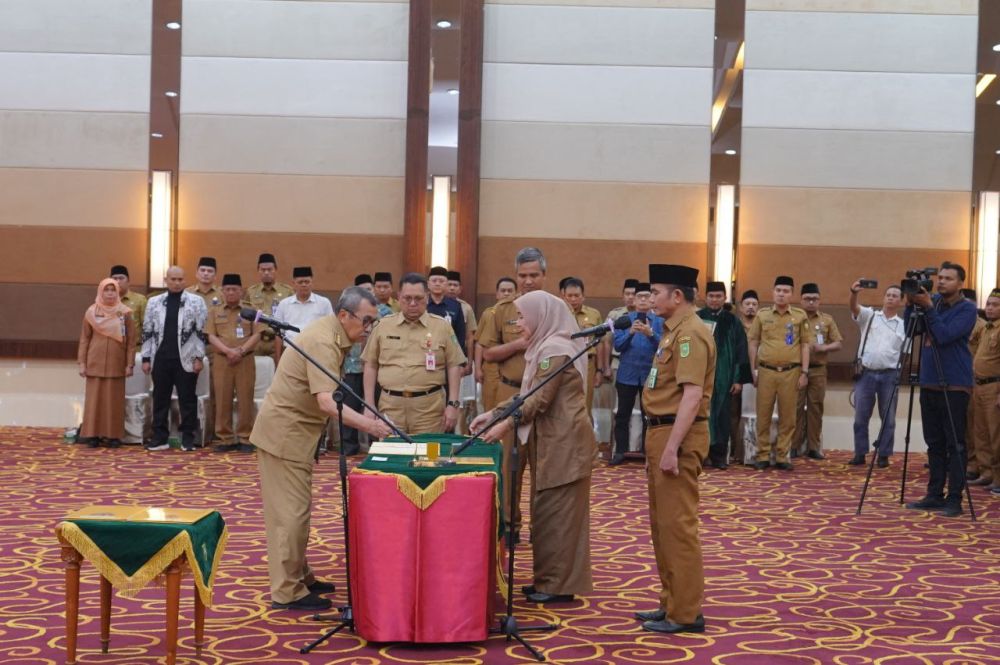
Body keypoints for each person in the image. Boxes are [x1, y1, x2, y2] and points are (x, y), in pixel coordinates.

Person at [250, 287, 393, 611]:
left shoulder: (334, 335)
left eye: (373, 321)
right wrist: (371, 426)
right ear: (345, 315)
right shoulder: (324, 341)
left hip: (297, 435)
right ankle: (287, 591)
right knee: (290, 515)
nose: (369, 328)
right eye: (366, 320)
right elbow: (327, 401)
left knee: (297, 510)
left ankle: (300, 574)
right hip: (284, 437)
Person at [471, 290, 595, 604]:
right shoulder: (546, 346)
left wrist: (503, 424)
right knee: (546, 512)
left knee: (559, 515)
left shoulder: (556, 349)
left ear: (542, 316)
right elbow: (529, 395)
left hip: (565, 444)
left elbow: (539, 399)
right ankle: (549, 580)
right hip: (551, 442)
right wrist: (493, 413)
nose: (518, 324)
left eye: (523, 317)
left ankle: (558, 586)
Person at [634, 263, 714, 634]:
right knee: (661, 525)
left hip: (675, 436)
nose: (650, 299)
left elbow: (693, 396)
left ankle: (685, 613)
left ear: (676, 296)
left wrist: (672, 448)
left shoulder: (691, 335)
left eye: (655, 292)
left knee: (678, 526)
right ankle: (670, 602)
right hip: (661, 433)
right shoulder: (671, 332)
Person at [480, 247, 548, 540]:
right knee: (509, 466)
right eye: (523, 275)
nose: (528, 281)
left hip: (545, 400)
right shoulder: (499, 312)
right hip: (511, 394)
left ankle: (540, 529)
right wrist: (519, 345)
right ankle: (509, 526)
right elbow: (488, 353)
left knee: (543, 468)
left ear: (544, 275)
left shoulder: (555, 309)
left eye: (534, 275)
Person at [905, 262, 977, 517]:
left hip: (955, 383)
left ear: (960, 283)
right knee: (934, 442)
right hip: (929, 381)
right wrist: (910, 304)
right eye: (941, 278)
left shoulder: (967, 309)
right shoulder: (931, 302)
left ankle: (955, 499)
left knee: (954, 443)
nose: (942, 282)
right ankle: (934, 494)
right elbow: (910, 332)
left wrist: (927, 308)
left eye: (948, 278)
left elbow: (945, 335)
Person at [362, 273, 466, 434]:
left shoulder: (441, 327)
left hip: (429, 409)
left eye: (418, 298)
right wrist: (369, 405)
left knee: (427, 456)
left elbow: (454, 365)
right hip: (390, 407)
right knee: (392, 454)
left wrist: (453, 404)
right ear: (399, 297)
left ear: (427, 296)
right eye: (407, 298)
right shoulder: (383, 326)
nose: (412, 303)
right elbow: (370, 365)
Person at [748, 276, 811, 471]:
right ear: (773, 292)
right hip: (766, 371)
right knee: (763, 415)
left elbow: (805, 345)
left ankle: (783, 455)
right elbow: (753, 342)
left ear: (792, 294)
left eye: (785, 291)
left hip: (791, 372)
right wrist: (753, 369)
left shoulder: (800, 316)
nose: (781, 294)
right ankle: (763, 454)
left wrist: (805, 372)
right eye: (778, 290)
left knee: (788, 416)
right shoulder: (762, 315)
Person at [142, 266, 207, 452]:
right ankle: (159, 437)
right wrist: (146, 358)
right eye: (173, 279)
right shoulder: (154, 302)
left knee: (187, 400)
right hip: (160, 357)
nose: (177, 283)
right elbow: (147, 330)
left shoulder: (196, 302)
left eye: (180, 280)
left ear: (185, 280)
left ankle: (188, 438)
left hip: (186, 357)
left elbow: (201, 332)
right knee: (160, 398)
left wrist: (198, 357)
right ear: (166, 280)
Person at [848, 281, 906, 467]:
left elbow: (905, 353)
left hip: (890, 375)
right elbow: (854, 307)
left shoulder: (904, 326)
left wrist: (899, 375)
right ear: (883, 298)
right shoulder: (870, 316)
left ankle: (883, 454)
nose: (890, 298)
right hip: (866, 373)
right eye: (888, 294)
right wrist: (854, 293)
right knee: (860, 417)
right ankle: (860, 453)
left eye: (894, 296)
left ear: (901, 301)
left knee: (888, 418)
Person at [697, 281, 751, 469]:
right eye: (711, 296)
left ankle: (719, 456)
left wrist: (738, 379)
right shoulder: (697, 318)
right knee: (700, 415)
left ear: (724, 298)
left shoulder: (732, 321)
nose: (714, 300)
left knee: (722, 416)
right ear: (705, 297)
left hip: (724, 377)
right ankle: (700, 454)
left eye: (718, 296)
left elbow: (740, 351)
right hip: (700, 377)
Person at [77, 278, 136, 448]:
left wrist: (129, 364)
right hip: (94, 362)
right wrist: (82, 362)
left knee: (114, 402)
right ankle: (92, 435)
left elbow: (131, 341)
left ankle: (113, 436)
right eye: (106, 290)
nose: (110, 293)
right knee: (94, 401)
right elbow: (84, 339)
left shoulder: (125, 313)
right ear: (100, 292)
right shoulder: (91, 312)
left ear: (118, 292)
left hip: (116, 362)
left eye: (113, 290)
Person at [339, 274, 394, 455]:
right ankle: (349, 447)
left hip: (374, 367)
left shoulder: (385, 312)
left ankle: (375, 444)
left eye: (370, 289)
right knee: (350, 405)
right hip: (352, 366)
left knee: (373, 406)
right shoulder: (349, 313)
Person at [206, 274, 260, 453]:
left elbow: (257, 334)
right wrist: (228, 351)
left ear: (241, 290)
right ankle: (225, 438)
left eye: (234, 289)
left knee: (246, 398)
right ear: (222, 291)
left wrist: (241, 351)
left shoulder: (250, 310)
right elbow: (211, 335)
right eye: (227, 289)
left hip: (245, 359)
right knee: (222, 398)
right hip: (222, 360)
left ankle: (245, 437)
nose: (230, 292)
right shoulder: (214, 310)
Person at [610, 282, 662, 465]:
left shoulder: (659, 321)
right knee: (623, 414)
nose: (642, 300)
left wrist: (651, 334)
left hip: (649, 375)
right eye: (639, 296)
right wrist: (630, 333)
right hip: (627, 374)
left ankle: (647, 451)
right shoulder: (625, 320)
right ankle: (620, 451)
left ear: (652, 300)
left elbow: (664, 348)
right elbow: (618, 346)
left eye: (647, 297)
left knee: (649, 415)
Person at [793, 283, 843, 460]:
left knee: (815, 408)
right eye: (807, 299)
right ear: (801, 300)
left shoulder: (827, 320)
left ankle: (813, 446)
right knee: (795, 407)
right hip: (797, 370)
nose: (811, 302)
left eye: (814, 299)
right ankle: (794, 446)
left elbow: (838, 342)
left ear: (819, 300)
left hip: (819, 370)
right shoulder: (794, 318)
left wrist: (824, 347)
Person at [561, 277, 607, 417]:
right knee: (564, 403)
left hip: (588, 363)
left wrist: (599, 370)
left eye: (577, 296)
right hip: (564, 364)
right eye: (570, 296)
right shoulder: (558, 314)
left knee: (585, 403)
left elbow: (600, 342)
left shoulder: (594, 314)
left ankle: (584, 437)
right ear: (563, 296)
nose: (573, 299)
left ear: (583, 297)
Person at [970, 288, 1000, 494]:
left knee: (995, 434)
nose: (989, 308)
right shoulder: (986, 328)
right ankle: (986, 472)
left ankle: (998, 477)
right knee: (979, 433)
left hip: (994, 387)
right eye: (988, 304)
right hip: (978, 386)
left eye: (995, 305)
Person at [273, 267, 333, 361]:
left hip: (316, 352)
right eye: (300, 282)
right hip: (290, 352)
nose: (304, 285)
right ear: (294, 284)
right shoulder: (284, 304)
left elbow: (331, 329)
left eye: (307, 282)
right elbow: (278, 334)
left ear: (312, 282)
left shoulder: (323, 303)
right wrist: (278, 360)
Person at [475, 277, 516, 412]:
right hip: (491, 369)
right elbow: (480, 343)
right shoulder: (489, 314)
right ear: (497, 294)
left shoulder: (520, 314)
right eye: (503, 291)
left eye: (510, 291)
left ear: (516, 293)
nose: (506, 294)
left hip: (511, 369)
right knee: (490, 406)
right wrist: (478, 369)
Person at [245, 253, 293, 361]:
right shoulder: (251, 292)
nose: (266, 273)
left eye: (270, 269)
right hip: (257, 341)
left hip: (277, 341)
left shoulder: (287, 291)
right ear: (258, 271)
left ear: (275, 270)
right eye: (263, 270)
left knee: (277, 374)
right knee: (256, 374)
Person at [729, 289, 759, 463]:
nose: (750, 308)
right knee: (734, 413)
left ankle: (752, 450)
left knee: (753, 413)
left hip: (756, 372)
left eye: (754, 304)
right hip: (738, 371)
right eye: (747, 304)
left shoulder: (762, 325)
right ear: (740, 307)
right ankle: (735, 450)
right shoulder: (735, 325)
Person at [962, 288, 989, 483]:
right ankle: (959, 460)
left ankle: (974, 464)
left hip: (974, 381)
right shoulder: (955, 321)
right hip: (956, 379)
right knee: (958, 424)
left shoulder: (982, 327)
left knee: (974, 427)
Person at [426, 266, 467, 355]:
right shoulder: (422, 304)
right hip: (425, 351)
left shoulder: (455, 306)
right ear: (428, 284)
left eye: (441, 281)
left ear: (446, 284)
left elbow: (460, 336)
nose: (437, 284)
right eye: (434, 281)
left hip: (448, 353)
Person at [110, 265, 146, 349]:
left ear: (128, 281)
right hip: (113, 349)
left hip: (135, 349)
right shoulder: (106, 301)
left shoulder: (140, 300)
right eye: (114, 279)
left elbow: (146, 327)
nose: (118, 281)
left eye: (121, 278)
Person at [447, 270, 478, 366]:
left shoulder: (466, 308)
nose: (452, 288)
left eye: (455, 285)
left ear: (460, 289)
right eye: (449, 284)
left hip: (459, 354)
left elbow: (470, 337)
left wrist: (469, 362)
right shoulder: (433, 306)